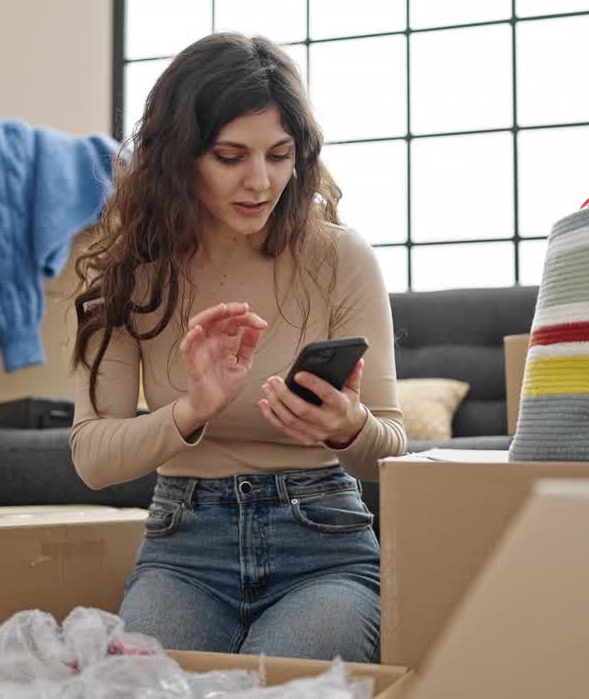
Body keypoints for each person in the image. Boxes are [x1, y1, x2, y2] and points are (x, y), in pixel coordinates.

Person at [69, 33, 405, 663]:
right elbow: (92, 457)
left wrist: (346, 426)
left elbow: (391, 449)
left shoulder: (340, 257)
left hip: (324, 547)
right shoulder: (133, 271)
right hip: (184, 551)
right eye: (230, 156)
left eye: (280, 155)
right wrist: (191, 410)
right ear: (179, 158)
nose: (261, 181)